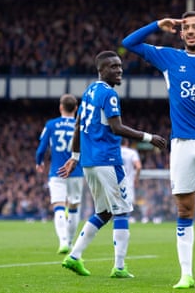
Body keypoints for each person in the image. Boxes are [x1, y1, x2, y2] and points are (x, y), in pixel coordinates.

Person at [122, 11, 195, 289]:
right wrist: (157, 25)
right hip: (182, 144)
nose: (190, 31)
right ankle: (185, 274)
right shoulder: (169, 57)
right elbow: (129, 43)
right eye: (186, 27)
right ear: (181, 32)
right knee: (184, 210)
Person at [57, 50, 166, 278]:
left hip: (89, 162)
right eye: (113, 67)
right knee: (123, 210)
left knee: (104, 212)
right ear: (101, 70)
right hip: (107, 159)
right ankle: (119, 267)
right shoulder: (108, 94)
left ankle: (74, 257)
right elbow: (117, 128)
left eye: (120, 66)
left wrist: (76, 157)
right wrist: (149, 137)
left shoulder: (89, 91)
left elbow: (78, 126)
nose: (119, 70)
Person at [36, 94, 84, 254]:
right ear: (76, 108)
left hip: (57, 171)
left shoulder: (51, 125)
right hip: (76, 171)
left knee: (58, 206)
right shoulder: (81, 124)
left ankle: (63, 241)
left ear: (60, 107)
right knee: (74, 206)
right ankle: (70, 242)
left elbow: (41, 148)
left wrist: (39, 162)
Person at [120, 138, 142, 214]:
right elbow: (138, 166)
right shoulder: (132, 152)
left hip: (115, 182)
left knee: (116, 205)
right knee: (128, 205)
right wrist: (136, 179)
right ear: (126, 142)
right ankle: (125, 222)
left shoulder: (114, 152)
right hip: (128, 182)